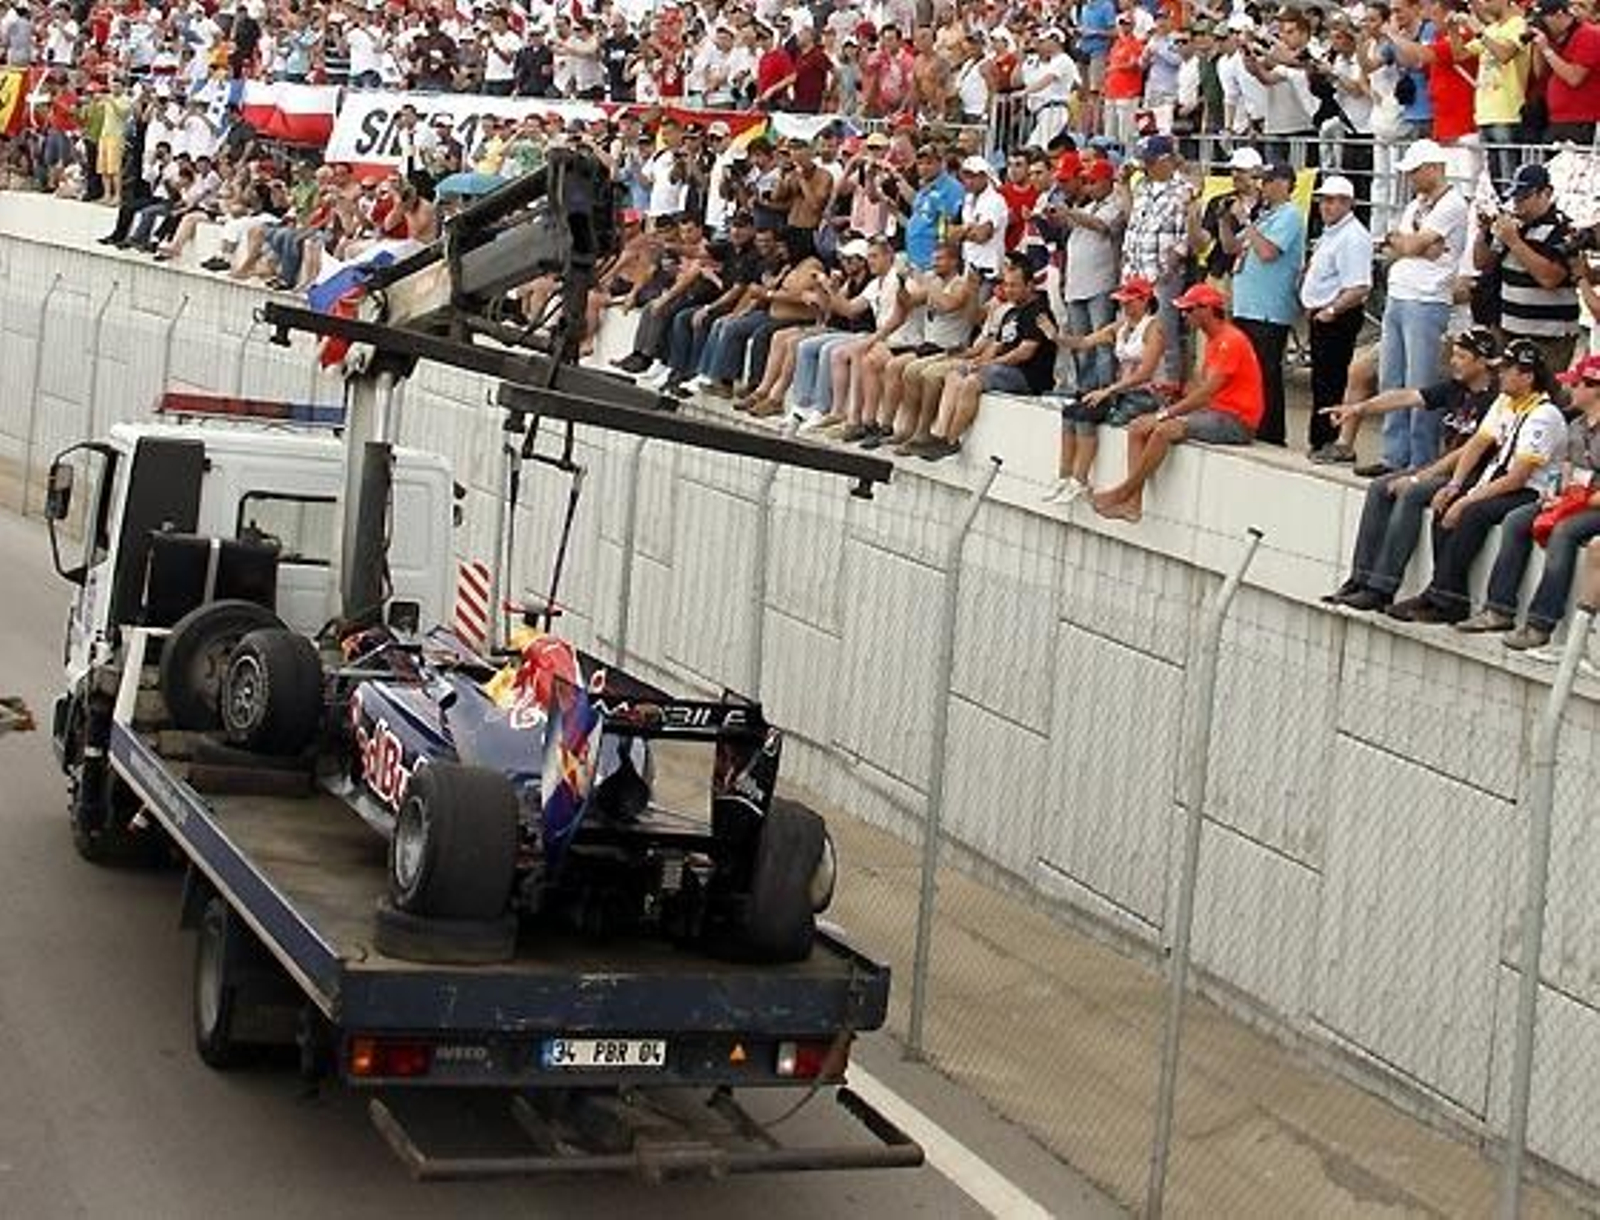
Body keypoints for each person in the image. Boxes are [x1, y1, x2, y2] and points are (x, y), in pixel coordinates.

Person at [1382, 339, 1567, 623]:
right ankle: (1443, 594)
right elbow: (1477, 443)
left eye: (1507, 370)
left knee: (1472, 513)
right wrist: (1454, 485)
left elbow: (1518, 478)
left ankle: (1445, 598)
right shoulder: (1506, 401)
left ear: (1527, 377)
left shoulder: (1543, 415)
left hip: (1531, 490)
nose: (1500, 375)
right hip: (1498, 479)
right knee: (1445, 503)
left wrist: (1468, 499)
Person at [1323, 328, 1506, 611]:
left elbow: (1467, 451)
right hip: (1442, 469)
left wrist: (1422, 476)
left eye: (1461, 356)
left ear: (1482, 362)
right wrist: (1360, 408)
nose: (1453, 361)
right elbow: (1406, 397)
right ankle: (1359, 578)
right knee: (1379, 487)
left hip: (1471, 476)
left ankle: (1382, 586)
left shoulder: (1496, 401)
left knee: (1412, 492)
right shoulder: (1456, 388)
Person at [1450, 353, 1600, 647]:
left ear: (1595, 388)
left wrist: (1579, 499)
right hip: (1575, 498)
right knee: (1517, 520)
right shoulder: (1577, 427)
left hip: (1595, 503)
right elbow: (1567, 472)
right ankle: (1499, 608)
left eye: (1578, 384)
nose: (1570, 390)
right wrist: (1556, 496)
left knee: (1565, 532)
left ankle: (1541, 623)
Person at [1091, 283, 1263, 523]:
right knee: (1138, 427)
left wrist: (1164, 414)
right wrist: (1174, 393)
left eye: (1190, 310)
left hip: (1236, 420)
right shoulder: (1216, 339)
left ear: (1207, 310)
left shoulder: (1229, 341)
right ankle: (1132, 504)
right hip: (1216, 412)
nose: (1185, 316)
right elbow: (1201, 389)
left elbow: (1204, 394)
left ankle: (1124, 491)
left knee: (1163, 429)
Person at [1369, 137, 1470, 476]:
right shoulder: (1417, 204)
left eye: (1414, 172)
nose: (1410, 178)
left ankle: (1420, 457)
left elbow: (1410, 242)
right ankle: (1393, 453)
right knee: (1392, 376)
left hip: (1427, 297)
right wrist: (1413, 246)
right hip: (1401, 293)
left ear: (1432, 169)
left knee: (1420, 381)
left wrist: (1412, 245)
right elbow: (1402, 243)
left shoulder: (1452, 204)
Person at [911, 259, 1054, 461]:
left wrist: (990, 364)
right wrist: (978, 362)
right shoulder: (1011, 312)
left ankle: (951, 441)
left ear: (1030, 285)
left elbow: (1024, 352)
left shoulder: (1038, 311)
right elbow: (996, 346)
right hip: (1004, 369)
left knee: (972, 382)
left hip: (1028, 376)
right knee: (955, 375)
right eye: (1006, 284)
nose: (1009, 290)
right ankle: (939, 435)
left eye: (1014, 285)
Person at [1045, 276, 1168, 505]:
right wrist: (1056, 337)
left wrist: (1109, 391)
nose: (1125, 307)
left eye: (1130, 302)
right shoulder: (1120, 327)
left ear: (1144, 301)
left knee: (1088, 414)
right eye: (1123, 303)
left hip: (1145, 395)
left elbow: (1145, 373)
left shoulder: (1153, 329)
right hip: (1122, 391)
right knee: (1071, 412)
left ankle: (1081, 479)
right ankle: (1064, 474)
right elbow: (1083, 342)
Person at [1473, 161, 1583, 376]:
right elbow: (1482, 263)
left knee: (1542, 396)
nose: (1518, 203)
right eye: (1515, 197)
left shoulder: (1562, 228)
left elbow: (1550, 278)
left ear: (1546, 193)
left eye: (1525, 197)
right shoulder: (1513, 225)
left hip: (1550, 338)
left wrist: (1515, 242)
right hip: (1510, 330)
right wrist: (1484, 232)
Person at [1229, 160, 1305, 447]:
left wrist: (1247, 224)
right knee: (1249, 369)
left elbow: (1268, 251)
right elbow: (1231, 247)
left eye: (1268, 181)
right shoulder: (1265, 216)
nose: (1263, 187)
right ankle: (1251, 420)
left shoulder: (1290, 215)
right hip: (1247, 306)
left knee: (1267, 370)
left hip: (1269, 309)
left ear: (1284, 183)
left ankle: (1272, 431)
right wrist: (1229, 221)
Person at [1302, 175, 1375, 459]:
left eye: (1333, 201)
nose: (1326, 206)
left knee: (1331, 382)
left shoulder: (1353, 237)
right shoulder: (1333, 232)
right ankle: (1320, 439)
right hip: (1323, 314)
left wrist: (1331, 311)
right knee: (1322, 381)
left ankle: (1329, 439)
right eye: (1324, 200)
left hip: (1337, 316)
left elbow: (1359, 286)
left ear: (1347, 203)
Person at [1119, 135, 1192, 384]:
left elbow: (1186, 236)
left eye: (1151, 162)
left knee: (1164, 337)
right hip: (1135, 271)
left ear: (1166, 161)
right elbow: (1132, 219)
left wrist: (1168, 267)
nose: (1146, 167)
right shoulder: (1142, 186)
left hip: (1160, 275)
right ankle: (1130, 388)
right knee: (1131, 336)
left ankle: (1167, 392)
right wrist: (1124, 184)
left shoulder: (1184, 189)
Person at [1530, 0, 1600, 144]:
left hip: (1582, 121)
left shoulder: (1589, 34)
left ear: (1559, 15)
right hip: (1558, 120)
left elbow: (1574, 78)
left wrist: (1546, 50)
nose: (1543, 25)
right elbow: (1540, 74)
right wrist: (1538, 47)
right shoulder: (1560, 39)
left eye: (1544, 20)